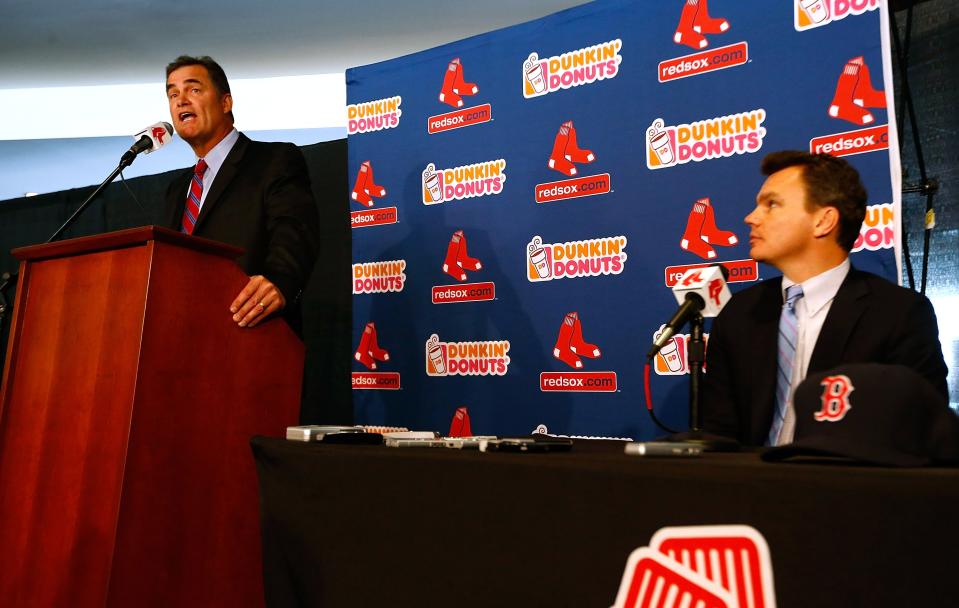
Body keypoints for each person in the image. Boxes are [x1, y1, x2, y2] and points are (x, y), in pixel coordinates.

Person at [702, 150, 948, 446]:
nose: (751, 218)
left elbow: (920, 433)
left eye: (772, 204)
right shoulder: (740, 313)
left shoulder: (899, 315)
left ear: (824, 221)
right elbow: (719, 432)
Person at [162, 55, 319, 329]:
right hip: (185, 338)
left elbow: (295, 232)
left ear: (226, 102)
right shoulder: (176, 190)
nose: (181, 100)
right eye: (173, 94)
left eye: (194, 89)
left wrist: (280, 283)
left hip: (252, 334)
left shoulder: (273, 160)